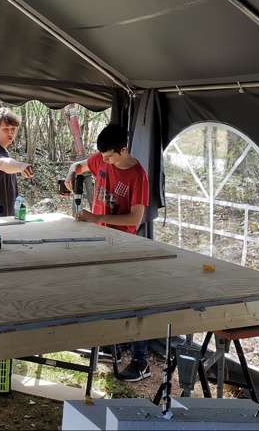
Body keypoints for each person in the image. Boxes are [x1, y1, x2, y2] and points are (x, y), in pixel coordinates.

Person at [64, 122, 151, 382]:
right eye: (102, 156)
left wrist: (96, 217)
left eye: (109, 157)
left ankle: (141, 361)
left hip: (124, 245)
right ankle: (113, 346)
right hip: (99, 240)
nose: (104, 161)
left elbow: (135, 218)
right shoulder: (101, 159)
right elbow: (80, 165)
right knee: (105, 295)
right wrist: (71, 173)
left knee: (131, 299)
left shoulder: (138, 175)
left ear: (123, 150)